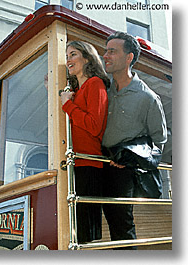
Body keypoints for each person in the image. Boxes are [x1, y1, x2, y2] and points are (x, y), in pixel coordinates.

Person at [101, 32, 167, 249]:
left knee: (122, 229)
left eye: (112, 51)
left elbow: (159, 142)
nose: (105, 56)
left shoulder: (148, 98)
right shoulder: (102, 89)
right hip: (95, 163)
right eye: (106, 50)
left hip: (123, 170)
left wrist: (132, 161)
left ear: (129, 57)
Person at [60, 41, 109, 243]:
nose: (68, 60)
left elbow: (95, 126)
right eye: (67, 56)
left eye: (73, 54)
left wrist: (68, 106)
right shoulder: (77, 91)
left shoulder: (95, 83)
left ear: (87, 58)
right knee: (76, 232)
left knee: (84, 235)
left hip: (89, 163)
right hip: (76, 164)